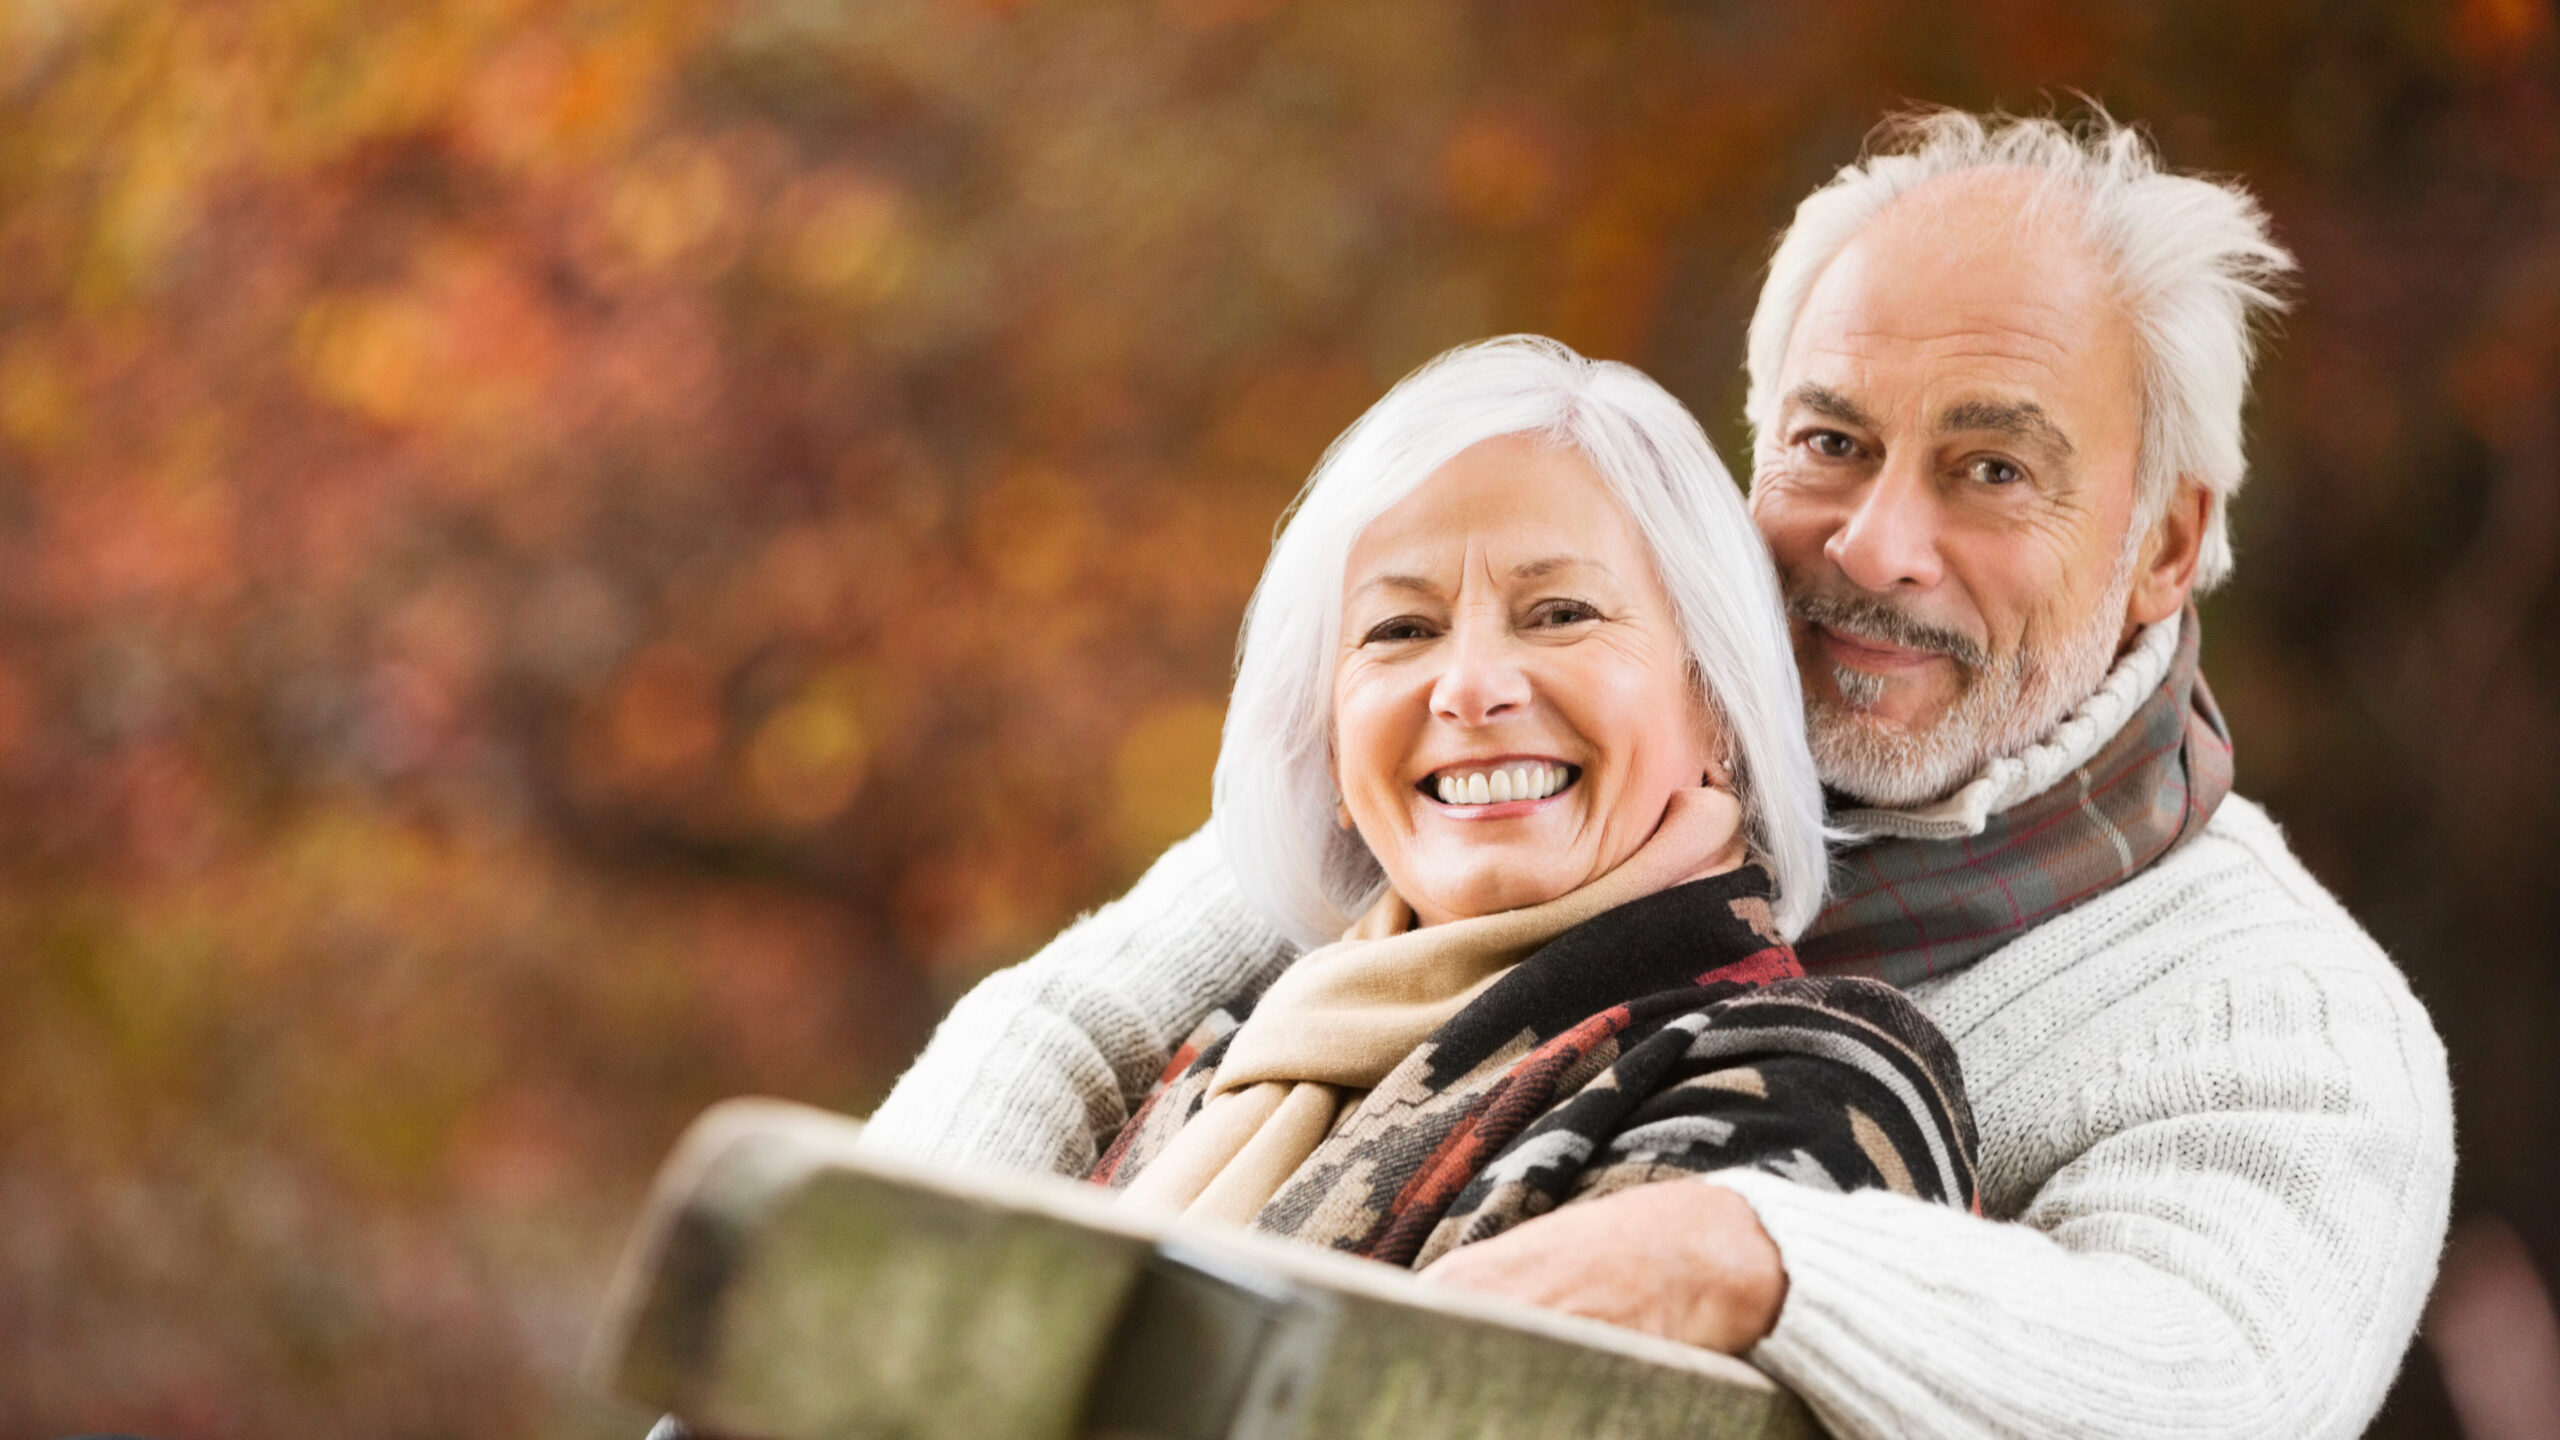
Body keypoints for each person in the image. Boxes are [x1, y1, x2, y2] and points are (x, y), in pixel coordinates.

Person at [859, 110, 2455, 1438]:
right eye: (1829, 444)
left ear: (2164, 539)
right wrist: (841, 1334)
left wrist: (1751, 1255)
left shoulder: (2289, 1020)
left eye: (1991, 467)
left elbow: (2218, 1378)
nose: (1878, 544)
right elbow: (1078, 1023)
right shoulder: (1537, 759)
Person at [1084, 337, 1977, 1262]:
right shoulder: (1226, 1055)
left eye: (1561, 614)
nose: (1470, 688)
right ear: (1332, 740)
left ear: (1718, 709)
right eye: (1401, 629)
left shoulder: (1797, 1086)